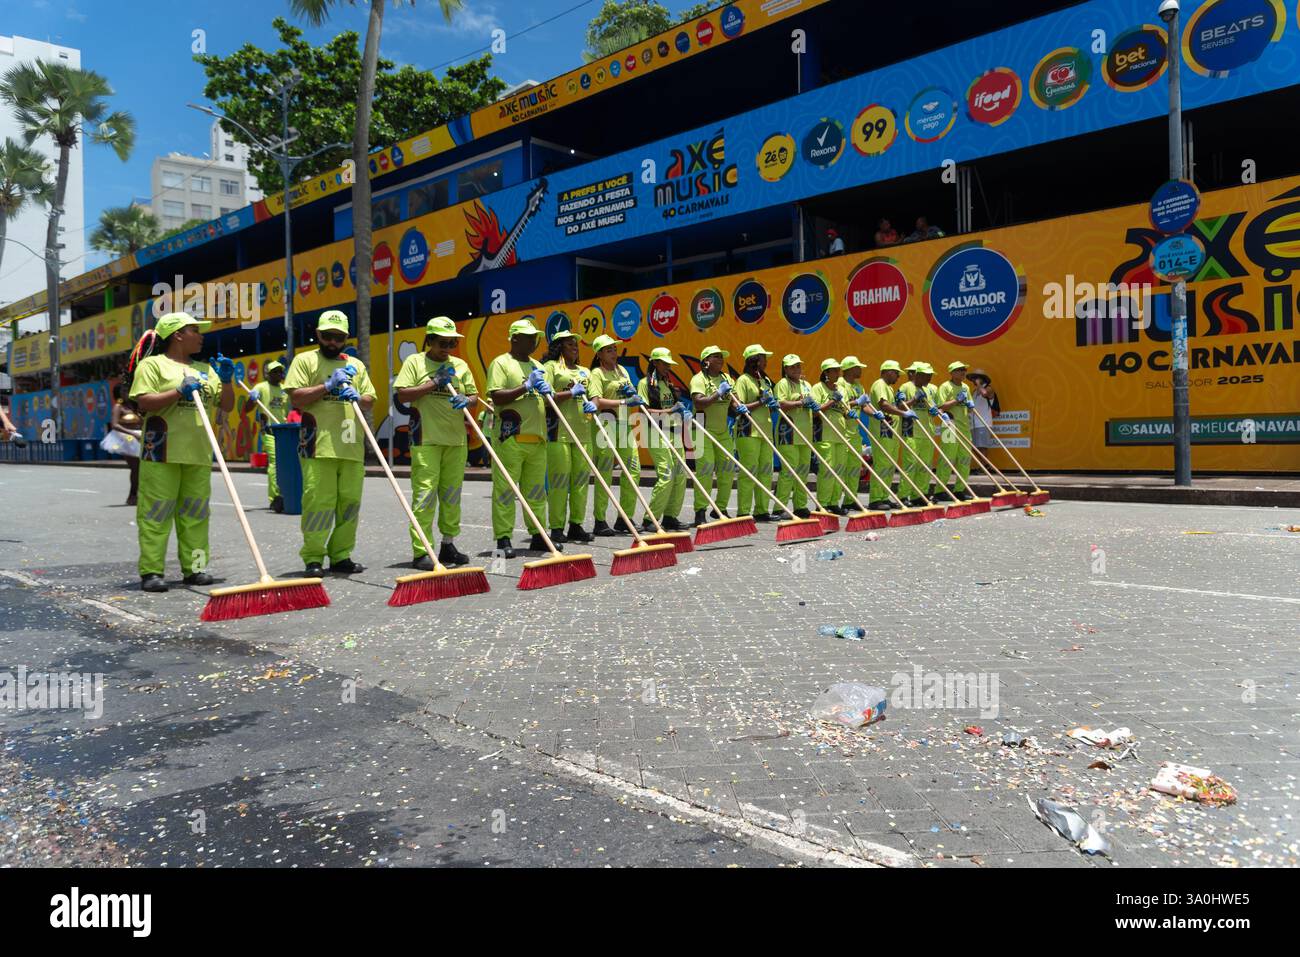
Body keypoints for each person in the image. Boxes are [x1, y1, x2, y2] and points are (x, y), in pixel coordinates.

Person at [126, 311, 235, 592]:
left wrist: (226, 380)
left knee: (196, 514)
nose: (200, 336)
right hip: (161, 450)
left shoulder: (204, 368)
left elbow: (227, 405)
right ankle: (151, 571)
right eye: (194, 330)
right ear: (177, 335)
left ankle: (195, 569)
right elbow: (145, 402)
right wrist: (178, 391)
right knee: (156, 513)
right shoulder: (153, 366)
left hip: (197, 452)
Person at [283, 309, 377, 577]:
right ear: (318, 335)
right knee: (318, 505)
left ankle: (341, 556)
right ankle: (313, 558)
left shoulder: (356, 366)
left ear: (346, 337)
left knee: (349, 505)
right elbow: (296, 399)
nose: (332, 342)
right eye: (327, 336)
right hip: (318, 446)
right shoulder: (305, 361)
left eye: (338, 337)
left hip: (351, 447)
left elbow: (371, 399)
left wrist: (357, 396)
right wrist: (327, 385)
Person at [392, 315, 478, 570]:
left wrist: (466, 399)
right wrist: (433, 383)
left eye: (451, 343)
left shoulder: (460, 365)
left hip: (455, 440)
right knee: (425, 496)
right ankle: (422, 551)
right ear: (429, 340)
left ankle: (448, 544)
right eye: (442, 343)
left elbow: (474, 395)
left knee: (452, 495)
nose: (447, 348)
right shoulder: (415, 362)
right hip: (425, 439)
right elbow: (403, 394)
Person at [486, 318, 553, 558]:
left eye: (535, 337)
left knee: (536, 492)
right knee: (505, 491)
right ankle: (503, 538)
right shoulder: (501, 363)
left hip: (537, 438)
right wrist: (526, 386)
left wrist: (548, 393)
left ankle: (538, 535)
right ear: (515, 339)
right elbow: (497, 397)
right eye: (529, 337)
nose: (534, 341)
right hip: (511, 438)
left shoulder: (537, 365)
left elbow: (543, 399)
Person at [586, 333, 641, 537]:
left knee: (633, 470)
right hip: (605, 425)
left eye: (615, 349)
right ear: (599, 354)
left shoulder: (622, 371)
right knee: (605, 473)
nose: (614, 353)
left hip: (624, 425)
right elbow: (597, 401)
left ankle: (624, 518)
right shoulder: (596, 374)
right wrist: (625, 402)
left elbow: (631, 393)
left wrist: (631, 393)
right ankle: (600, 521)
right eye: (609, 350)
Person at [542, 330, 594, 544]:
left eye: (576, 344)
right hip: (558, 433)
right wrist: (569, 394)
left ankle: (576, 525)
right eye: (570, 344)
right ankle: (556, 528)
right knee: (559, 483)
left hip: (583, 432)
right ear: (559, 347)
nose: (575, 347)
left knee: (581, 482)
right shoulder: (550, 367)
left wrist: (592, 405)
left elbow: (591, 397)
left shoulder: (585, 371)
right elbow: (545, 399)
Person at [637, 346, 688, 531]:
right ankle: (649, 519)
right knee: (666, 475)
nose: (668, 366)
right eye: (665, 363)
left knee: (680, 475)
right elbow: (644, 410)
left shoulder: (668, 383)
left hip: (673, 431)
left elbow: (672, 407)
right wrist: (669, 410)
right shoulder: (645, 383)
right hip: (654, 432)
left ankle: (670, 516)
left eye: (669, 363)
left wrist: (681, 411)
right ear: (655, 363)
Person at [688, 345, 737, 525]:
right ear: (706, 361)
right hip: (702, 429)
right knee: (706, 470)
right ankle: (700, 511)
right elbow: (699, 403)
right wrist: (718, 393)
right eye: (716, 356)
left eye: (721, 357)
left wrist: (739, 406)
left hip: (723, 430)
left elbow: (734, 401)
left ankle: (720, 509)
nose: (720, 359)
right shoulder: (698, 379)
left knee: (727, 469)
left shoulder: (727, 379)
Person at [731, 344, 776, 521]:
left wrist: (772, 404)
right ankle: (743, 512)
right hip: (748, 431)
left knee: (766, 472)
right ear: (755, 360)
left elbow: (767, 405)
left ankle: (761, 510)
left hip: (765, 431)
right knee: (749, 472)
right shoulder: (743, 380)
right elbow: (738, 406)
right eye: (764, 357)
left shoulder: (765, 381)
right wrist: (760, 402)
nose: (766, 361)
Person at [773, 354, 816, 518]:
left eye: (798, 366)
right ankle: (779, 507)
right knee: (789, 470)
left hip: (805, 433)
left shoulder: (806, 384)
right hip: (788, 432)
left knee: (803, 471)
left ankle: (800, 505)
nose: (796, 369)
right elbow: (781, 404)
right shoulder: (783, 384)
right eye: (792, 367)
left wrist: (813, 403)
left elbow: (811, 402)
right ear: (785, 369)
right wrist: (800, 402)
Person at [810, 358, 852, 515]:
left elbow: (845, 410)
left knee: (839, 470)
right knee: (827, 471)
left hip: (840, 435)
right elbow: (815, 411)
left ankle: (834, 502)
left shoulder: (841, 389)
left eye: (838, 370)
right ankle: (823, 503)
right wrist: (831, 401)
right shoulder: (818, 388)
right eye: (834, 370)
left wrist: (850, 413)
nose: (837, 373)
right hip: (824, 435)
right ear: (825, 373)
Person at [861, 360, 905, 510]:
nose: (898, 376)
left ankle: (884, 496)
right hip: (882, 430)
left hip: (891, 432)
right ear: (888, 371)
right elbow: (884, 405)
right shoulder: (879, 384)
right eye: (896, 373)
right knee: (882, 465)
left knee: (889, 466)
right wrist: (903, 412)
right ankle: (875, 499)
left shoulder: (888, 387)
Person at [896, 361, 940, 505]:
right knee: (910, 465)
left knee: (925, 466)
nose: (930, 379)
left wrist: (935, 411)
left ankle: (920, 494)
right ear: (919, 375)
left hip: (927, 432)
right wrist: (914, 399)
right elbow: (899, 406)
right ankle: (903, 496)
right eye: (927, 376)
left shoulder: (927, 390)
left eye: (931, 376)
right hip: (912, 431)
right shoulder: (906, 387)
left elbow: (932, 408)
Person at [248, 359, 288, 511]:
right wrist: (252, 399)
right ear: (268, 374)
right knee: (275, 461)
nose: (279, 374)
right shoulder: (261, 387)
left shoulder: (284, 389)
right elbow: (247, 409)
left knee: (284, 462)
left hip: (283, 430)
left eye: (280, 371)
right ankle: (275, 497)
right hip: (269, 430)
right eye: (275, 372)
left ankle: (285, 492)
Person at [936, 360, 976, 501]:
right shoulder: (945, 387)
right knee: (947, 459)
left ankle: (960, 489)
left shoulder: (966, 387)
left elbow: (970, 408)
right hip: (949, 426)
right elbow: (940, 406)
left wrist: (970, 405)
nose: (963, 372)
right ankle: (940, 490)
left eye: (964, 369)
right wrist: (956, 401)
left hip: (964, 427)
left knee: (964, 460)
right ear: (952, 373)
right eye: (959, 370)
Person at [110, 382, 143, 505]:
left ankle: (138, 494)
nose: (126, 393)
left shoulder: (135, 407)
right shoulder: (119, 407)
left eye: (128, 390)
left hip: (141, 437)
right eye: (123, 391)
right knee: (135, 467)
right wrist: (133, 434)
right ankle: (133, 495)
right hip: (127, 439)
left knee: (143, 468)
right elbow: (115, 425)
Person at [967, 369, 1000, 470]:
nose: (974, 380)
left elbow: (985, 394)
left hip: (983, 422)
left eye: (976, 378)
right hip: (973, 423)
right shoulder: (974, 392)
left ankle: (984, 467)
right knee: (973, 447)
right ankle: (985, 465)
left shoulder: (988, 388)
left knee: (982, 446)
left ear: (982, 379)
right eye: (973, 378)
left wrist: (979, 385)